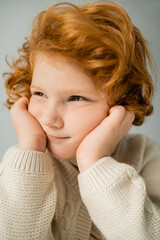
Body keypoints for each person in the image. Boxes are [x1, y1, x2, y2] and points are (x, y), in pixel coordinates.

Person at [0, 1, 160, 239]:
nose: (49, 118)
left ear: (121, 103)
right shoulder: (23, 167)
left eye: (75, 98)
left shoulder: (144, 155)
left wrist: (93, 161)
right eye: (40, 94)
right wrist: (31, 146)